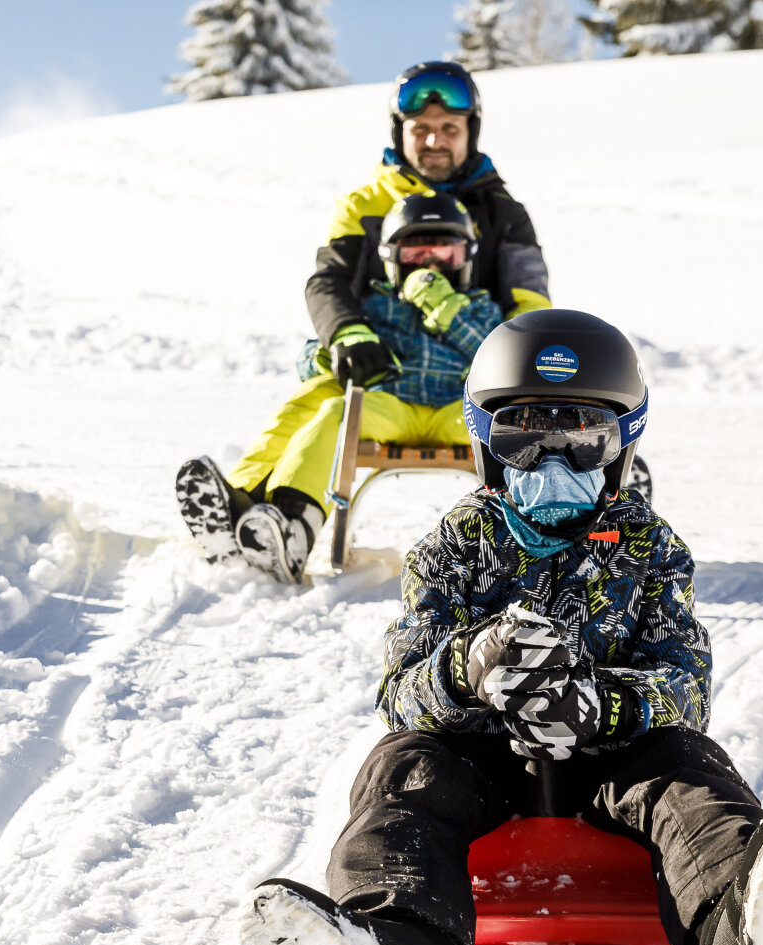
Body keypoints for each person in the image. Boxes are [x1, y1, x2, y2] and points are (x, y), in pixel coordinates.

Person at [236, 310, 763, 945]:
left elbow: (684, 681)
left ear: (622, 446)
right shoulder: (454, 546)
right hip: (481, 758)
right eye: (524, 436)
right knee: (401, 768)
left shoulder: (650, 547)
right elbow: (400, 685)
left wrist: (608, 704)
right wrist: (466, 665)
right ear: (484, 442)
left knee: (691, 772)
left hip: (613, 757)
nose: (553, 459)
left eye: (582, 438)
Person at [177, 60, 550, 566]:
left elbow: (528, 299)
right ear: (401, 133)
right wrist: (346, 336)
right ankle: (250, 512)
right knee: (320, 398)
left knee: (526, 423)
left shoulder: (502, 212)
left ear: (469, 133)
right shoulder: (366, 203)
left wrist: (519, 364)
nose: (434, 141)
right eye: (421, 130)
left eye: (448, 129)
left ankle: (578, 513)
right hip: (383, 369)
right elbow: (329, 281)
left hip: (469, 378)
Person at [232, 191, 503, 582]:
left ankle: (523, 540)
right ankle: (293, 522)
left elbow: (495, 353)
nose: (430, 264)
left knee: (505, 428)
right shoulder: (376, 304)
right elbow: (321, 349)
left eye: (445, 255)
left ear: (465, 260)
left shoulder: (479, 306)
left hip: (455, 411)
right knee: (335, 414)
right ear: (391, 260)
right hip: (392, 407)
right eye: (414, 255)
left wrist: (444, 305)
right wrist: (328, 357)